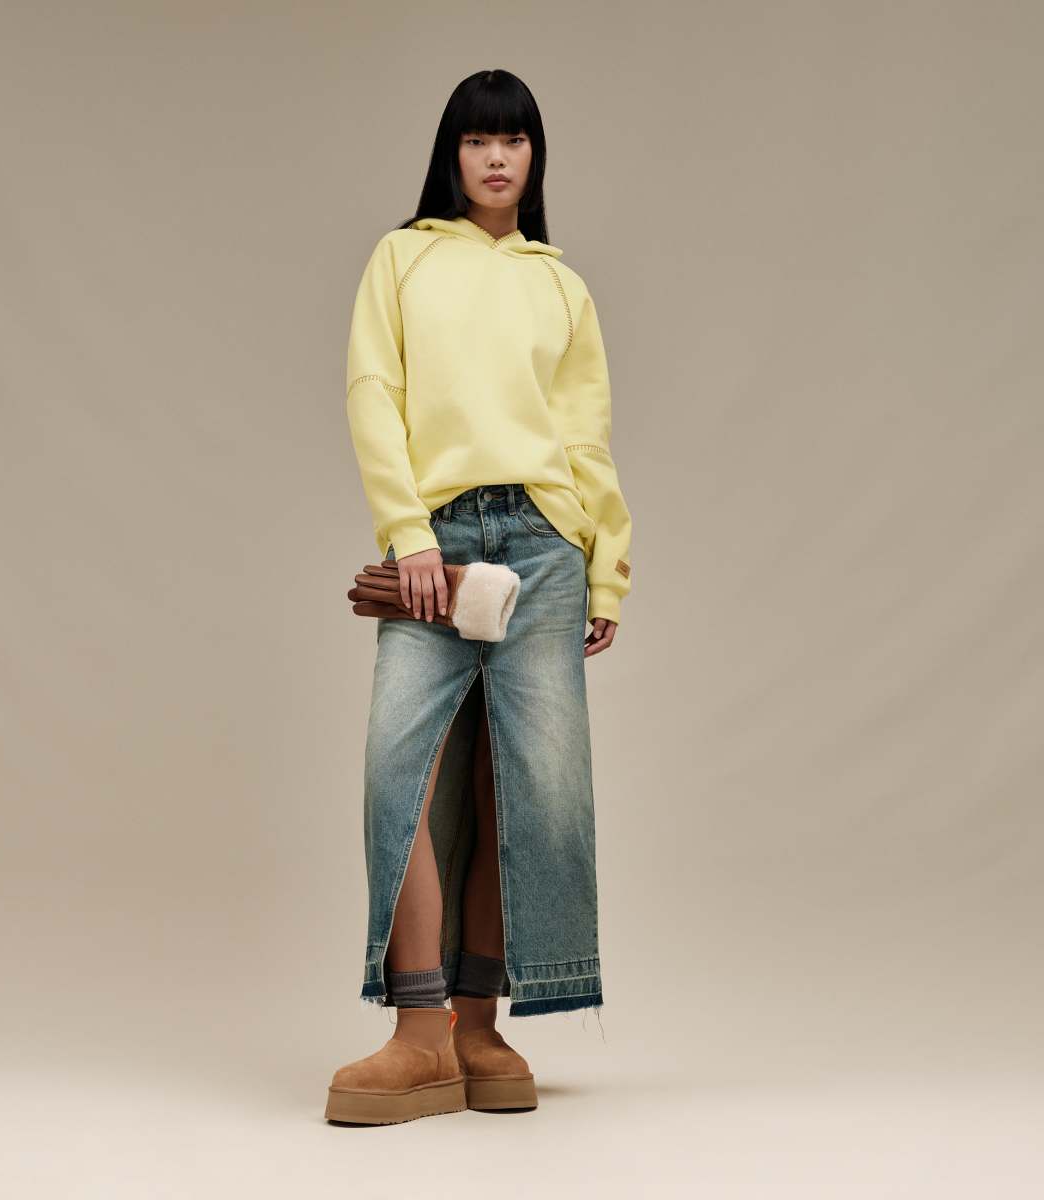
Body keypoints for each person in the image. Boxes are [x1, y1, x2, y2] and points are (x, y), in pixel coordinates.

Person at [325, 69, 633, 1126]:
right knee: (399, 768)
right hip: (439, 540)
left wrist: (605, 564)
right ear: (450, 154)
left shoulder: (561, 286)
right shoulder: (402, 258)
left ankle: (475, 1025)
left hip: (545, 548)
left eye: (514, 140)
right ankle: (415, 1033)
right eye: (477, 140)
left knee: (526, 783)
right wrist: (408, 533)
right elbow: (375, 392)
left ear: (535, 156)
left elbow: (584, 435)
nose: (496, 158)